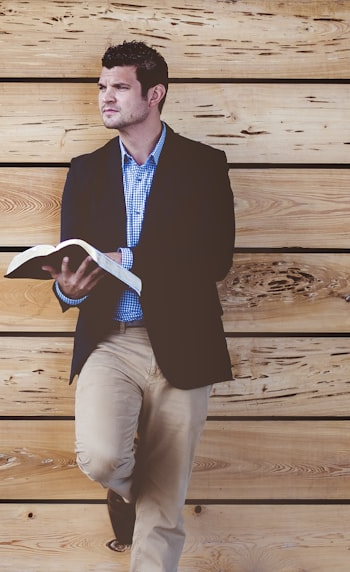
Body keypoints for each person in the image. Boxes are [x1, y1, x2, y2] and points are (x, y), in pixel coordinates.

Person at [43, 41, 235, 571]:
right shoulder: (84, 170)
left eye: (119, 87)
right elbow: (71, 259)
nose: (106, 97)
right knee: (103, 457)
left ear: (155, 94)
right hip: (111, 339)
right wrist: (67, 290)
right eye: (102, 87)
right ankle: (127, 491)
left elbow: (215, 258)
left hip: (185, 340)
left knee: (165, 508)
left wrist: (129, 254)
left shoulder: (204, 165)